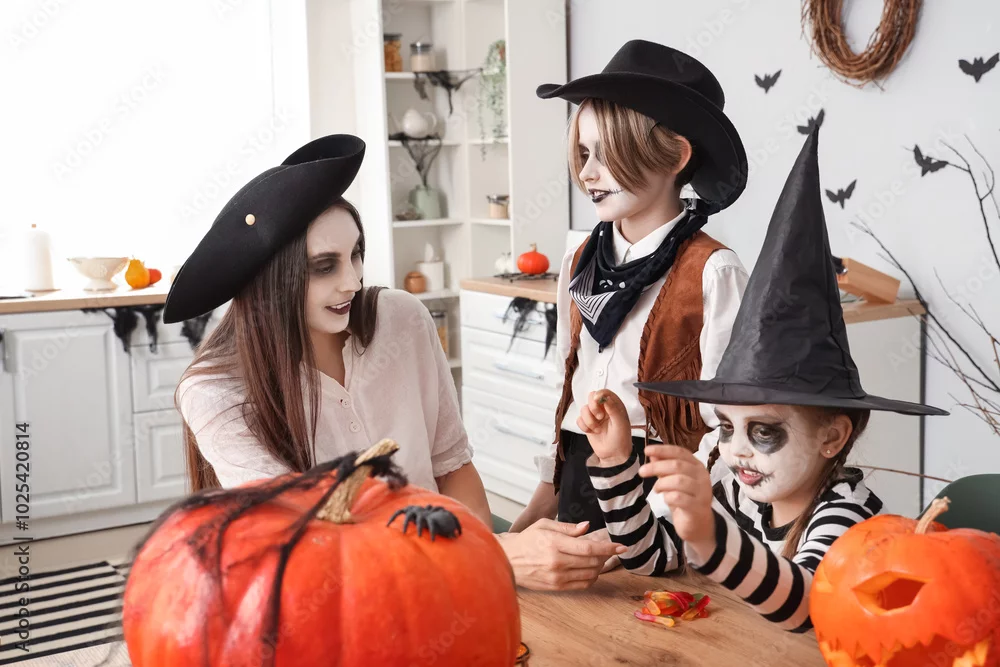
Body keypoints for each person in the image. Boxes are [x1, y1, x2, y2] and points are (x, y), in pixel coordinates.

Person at [576, 125, 948, 631]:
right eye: (728, 427)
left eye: (764, 431)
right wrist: (617, 460)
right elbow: (651, 558)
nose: (736, 451)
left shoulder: (845, 515)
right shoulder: (739, 497)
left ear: (832, 436)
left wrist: (709, 536)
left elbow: (805, 605)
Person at [503, 40, 750, 585]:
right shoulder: (580, 258)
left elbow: (731, 430)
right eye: (583, 153)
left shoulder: (712, 272)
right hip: (581, 478)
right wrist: (543, 497)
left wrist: (648, 523)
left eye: (606, 153)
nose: (588, 173)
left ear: (676, 156)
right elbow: (571, 388)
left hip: (662, 495)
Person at [163, 134, 492, 527]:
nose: (353, 282)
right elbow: (301, 533)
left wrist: (488, 551)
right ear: (270, 282)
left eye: (356, 254)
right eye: (324, 267)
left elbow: (452, 468)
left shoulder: (403, 318)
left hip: (448, 553)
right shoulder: (214, 392)